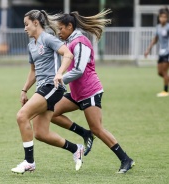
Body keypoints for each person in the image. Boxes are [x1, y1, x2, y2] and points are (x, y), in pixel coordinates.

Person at [51, 9, 135, 174]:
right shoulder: (69, 42)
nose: (59, 32)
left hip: (90, 91)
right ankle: (85, 133)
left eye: (61, 28)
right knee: (51, 111)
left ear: (70, 26)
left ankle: (126, 159)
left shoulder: (80, 42)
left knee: (98, 128)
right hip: (77, 93)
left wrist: (60, 78)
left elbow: (79, 70)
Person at [11, 10, 84, 174]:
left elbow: (68, 54)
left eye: (26, 24)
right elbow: (33, 72)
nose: (25, 29)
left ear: (36, 23)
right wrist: (24, 90)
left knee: (22, 116)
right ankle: (76, 149)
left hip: (53, 88)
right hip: (41, 89)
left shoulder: (48, 38)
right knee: (41, 133)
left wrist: (59, 73)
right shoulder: (31, 45)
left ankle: (29, 162)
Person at [144, 7, 169, 97]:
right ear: (159, 17)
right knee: (159, 72)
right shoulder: (158, 27)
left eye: (165, 17)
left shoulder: (168, 27)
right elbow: (155, 39)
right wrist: (148, 49)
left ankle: (165, 91)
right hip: (161, 52)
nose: (163, 19)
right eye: (161, 17)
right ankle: (166, 82)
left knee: (165, 72)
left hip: (167, 52)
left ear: (167, 18)